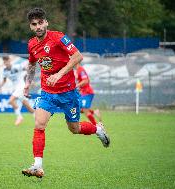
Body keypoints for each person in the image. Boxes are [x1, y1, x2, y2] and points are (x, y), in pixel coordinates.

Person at [22, 8, 110, 178]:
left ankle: (97, 129)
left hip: (68, 93)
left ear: (46, 22)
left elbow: (77, 56)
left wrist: (59, 74)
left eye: (41, 22)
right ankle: (37, 166)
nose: (38, 26)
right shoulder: (32, 44)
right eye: (34, 24)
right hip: (47, 93)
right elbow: (32, 65)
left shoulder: (58, 37)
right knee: (39, 124)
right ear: (31, 26)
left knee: (74, 129)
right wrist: (27, 83)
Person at [0, 55, 35, 126]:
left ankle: (19, 117)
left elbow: (26, 69)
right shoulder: (5, 71)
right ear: (4, 62)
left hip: (21, 86)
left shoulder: (16, 67)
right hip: (16, 88)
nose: (6, 63)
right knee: (26, 105)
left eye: (7, 61)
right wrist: (0, 86)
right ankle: (37, 117)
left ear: (10, 60)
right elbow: (4, 80)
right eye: (4, 61)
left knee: (11, 100)